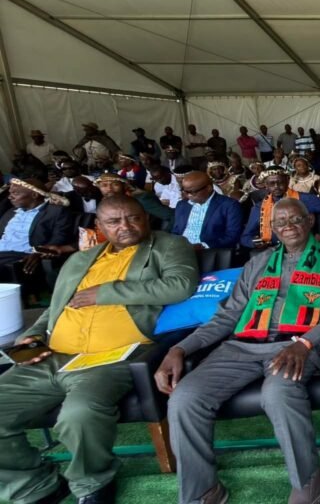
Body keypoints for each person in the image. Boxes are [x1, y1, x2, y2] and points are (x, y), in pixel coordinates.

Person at [0, 195, 197, 504]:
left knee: (79, 413)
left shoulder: (167, 246)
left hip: (113, 356)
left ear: (146, 218)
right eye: (114, 222)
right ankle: (34, 485)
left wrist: (106, 293)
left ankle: (92, 482)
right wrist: (33, 336)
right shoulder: (81, 260)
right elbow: (55, 307)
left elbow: (181, 285)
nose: (125, 226)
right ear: (99, 225)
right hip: (52, 355)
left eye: (133, 218)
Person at [157, 198, 320, 504]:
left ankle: (307, 478)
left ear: (309, 221)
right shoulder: (258, 263)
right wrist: (180, 348)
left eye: (296, 219)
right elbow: (228, 316)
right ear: (273, 228)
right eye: (281, 222)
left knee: (277, 392)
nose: (288, 226)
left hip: (295, 346)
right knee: (184, 398)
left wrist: (305, 343)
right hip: (242, 346)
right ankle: (203, 490)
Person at [241, 168, 320, 249]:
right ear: (266, 186)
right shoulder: (259, 208)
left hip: (304, 248)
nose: (276, 186)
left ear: (287, 181)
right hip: (273, 250)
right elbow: (245, 237)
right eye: (272, 183)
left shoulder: (305, 199)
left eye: (280, 182)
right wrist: (254, 243)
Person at [0, 178, 74, 289]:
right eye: (10, 193)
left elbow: (60, 237)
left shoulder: (56, 211)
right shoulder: (11, 212)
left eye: (15, 193)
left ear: (34, 195)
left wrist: (40, 251)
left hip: (22, 255)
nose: (10, 197)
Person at [171, 171, 243, 251]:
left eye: (192, 192)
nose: (188, 195)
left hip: (209, 251)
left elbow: (232, 236)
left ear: (209, 188)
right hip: (181, 250)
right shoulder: (182, 205)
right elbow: (176, 232)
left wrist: (203, 246)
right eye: (185, 191)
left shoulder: (229, 205)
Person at [96, 173, 174, 232]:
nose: (109, 189)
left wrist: (164, 237)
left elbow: (173, 215)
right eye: (104, 185)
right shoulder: (104, 203)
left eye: (115, 185)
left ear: (124, 186)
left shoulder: (141, 200)